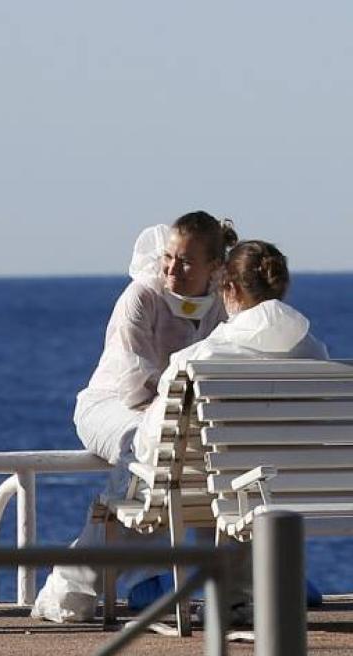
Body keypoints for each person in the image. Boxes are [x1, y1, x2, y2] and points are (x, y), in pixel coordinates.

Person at [32, 213, 239, 623]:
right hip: (112, 406)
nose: (171, 269)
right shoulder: (141, 297)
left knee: (195, 457)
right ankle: (74, 586)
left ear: (214, 267)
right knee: (147, 448)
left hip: (174, 416)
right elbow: (133, 383)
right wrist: (179, 418)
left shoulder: (222, 306)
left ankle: (230, 578)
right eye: (168, 257)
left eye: (185, 262)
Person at [124, 239, 324, 614]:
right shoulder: (314, 351)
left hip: (214, 496)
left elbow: (152, 447)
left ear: (229, 289)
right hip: (295, 491)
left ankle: (229, 595)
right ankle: (248, 591)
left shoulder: (199, 358)